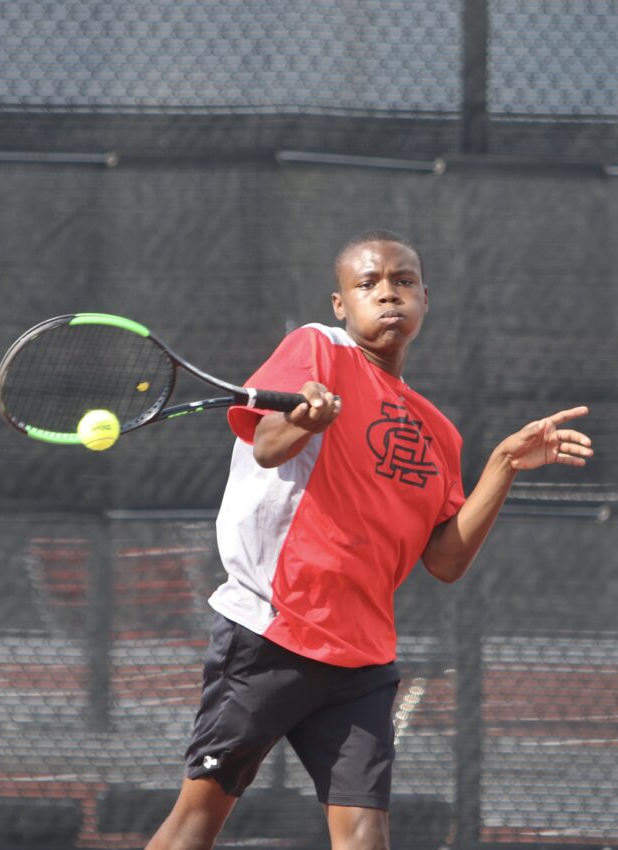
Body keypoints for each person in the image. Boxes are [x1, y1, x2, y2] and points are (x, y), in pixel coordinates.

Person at [145, 230, 592, 850]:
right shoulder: (318, 349)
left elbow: (447, 559)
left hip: (362, 658)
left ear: (425, 300)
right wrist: (305, 419)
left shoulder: (439, 434)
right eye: (368, 284)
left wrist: (503, 465)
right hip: (273, 632)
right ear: (340, 304)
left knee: (363, 837)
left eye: (403, 282)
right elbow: (269, 445)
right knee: (197, 821)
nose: (388, 295)